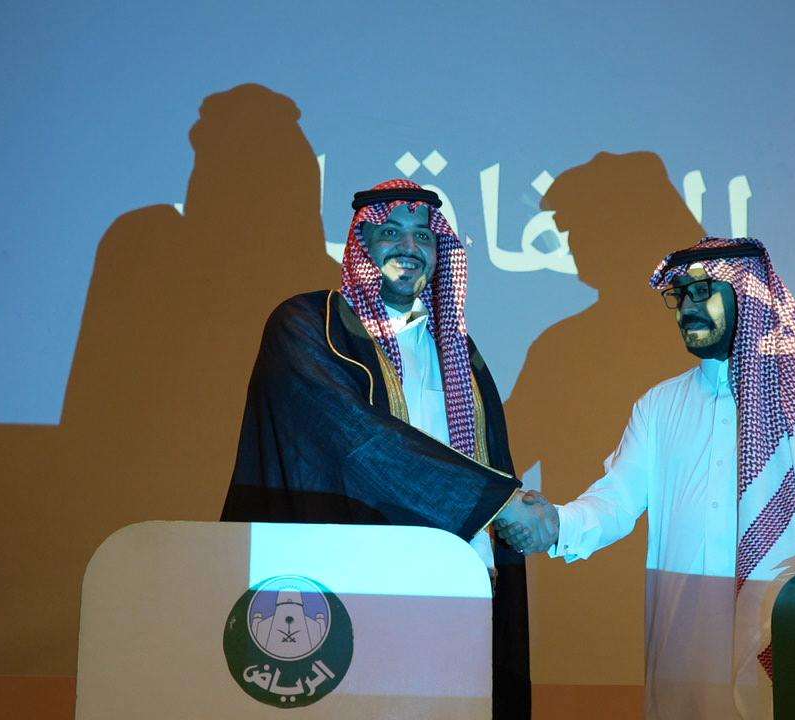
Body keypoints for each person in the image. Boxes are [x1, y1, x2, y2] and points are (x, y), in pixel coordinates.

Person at [498, 237, 795, 719]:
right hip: (684, 651)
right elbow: (615, 500)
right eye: (680, 294)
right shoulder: (660, 406)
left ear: (747, 294)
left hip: (786, 644)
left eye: (703, 292)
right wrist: (556, 524)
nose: (687, 308)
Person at [221, 178, 554, 718]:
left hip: (452, 589)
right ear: (360, 244)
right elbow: (358, 441)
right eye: (390, 232)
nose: (409, 247)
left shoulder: (457, 352)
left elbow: (487, 458)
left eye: (423, 235)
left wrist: (500, 535)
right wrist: (501, 503)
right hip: (340, 589)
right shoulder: (310, 325)